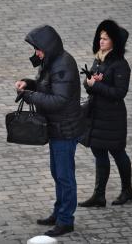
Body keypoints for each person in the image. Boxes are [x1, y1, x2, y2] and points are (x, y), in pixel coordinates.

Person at [15, 25, 83, 237]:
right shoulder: (52, 62)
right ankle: (58, 212)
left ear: (48, 47)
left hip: (65, 129)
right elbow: (48, 87)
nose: (36, 53)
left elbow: (59, 100)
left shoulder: (63, 65)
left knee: (64, 176)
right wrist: (29, 83)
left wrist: (29, 96)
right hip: (56, 128)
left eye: (38, 49)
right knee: (57, 173)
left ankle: (65, 220)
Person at [78, 19, 132, 208]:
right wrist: (89, 82)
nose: (101, 41)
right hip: (96, 115)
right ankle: (99, 195)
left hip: (112, 117)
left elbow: (119, 93)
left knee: (118, 153)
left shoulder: (120, 65)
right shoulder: (99, 58)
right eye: (100, 38)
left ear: (114, 42)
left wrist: (98, 85)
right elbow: (90, 86)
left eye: (106, 38)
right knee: (99, 153)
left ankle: (127, 190)